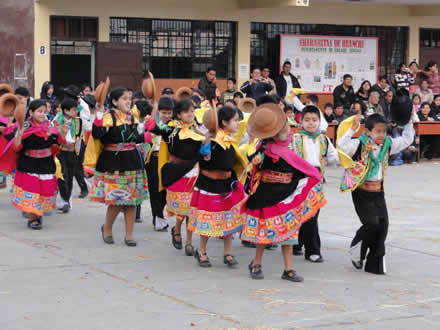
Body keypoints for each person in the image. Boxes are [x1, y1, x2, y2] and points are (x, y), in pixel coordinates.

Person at [241, 100, 325, 282]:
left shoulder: (290, 148)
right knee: (264, 234)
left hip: (287, 193)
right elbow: (253, 161)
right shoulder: (265, 149)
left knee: (289, 232)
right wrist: (253, 143)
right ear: (272, 134)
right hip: (267, 195)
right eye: (281, 130)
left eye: (286, 127)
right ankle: (256, 263)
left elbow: (303, 168)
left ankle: (288, 269)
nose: (287, 131)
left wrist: (311, 178)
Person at [338, 113, 414, 274]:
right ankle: (356, 249)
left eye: (384, 131)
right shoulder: (359, 143)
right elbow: (342, 146)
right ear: (368, 132)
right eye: (378, 131)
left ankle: (374, 265)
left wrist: (408, 123)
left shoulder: (388, 143)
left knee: (383, 226)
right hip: (361, 192)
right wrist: (352, 129)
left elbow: (406, 140)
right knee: (371, 224)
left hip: (378, 191)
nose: (381, 134)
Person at [90, 88, 151, 247]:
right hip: (113, 163)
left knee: (131, 201)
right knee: (116, 200)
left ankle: (129, 235)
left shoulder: (132, 116)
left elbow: (134, 137)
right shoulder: (108, 116)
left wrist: (146, 136)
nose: (128, 101)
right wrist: (98, 113)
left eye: (129, 98)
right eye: (124, 98)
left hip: (132, 161)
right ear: (115, 101)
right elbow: (97, 134)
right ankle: (107, 229)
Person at [188, 106, 247, 268]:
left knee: (229, 220)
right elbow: (203, 159)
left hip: (227, 185)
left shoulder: (230, 140)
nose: (237, 123)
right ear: (224, 122)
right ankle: (201, 251)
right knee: (209, 220)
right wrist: (207, 140)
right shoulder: (212, 141)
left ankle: (227, 253)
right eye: (235, 120)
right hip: (210, 186)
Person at [145, 99, 205, 256]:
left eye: (192, 111)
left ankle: (189, 242)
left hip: (193, 173)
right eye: (187, 112)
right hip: (176, 173)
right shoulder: (170, 128)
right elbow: (152, 127)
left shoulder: (197, 129)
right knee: (182, 208)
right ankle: (177, 230)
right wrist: (153, 110)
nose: (190, 114)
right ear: (179, 114)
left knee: (191, 209)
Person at [0, 99, 69, 229]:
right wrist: (19, 134)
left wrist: (63, 134)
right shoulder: (24, 126)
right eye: (39, 111)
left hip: (46, 164)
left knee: (44, 192)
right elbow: (16, 148)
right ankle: (33, 218)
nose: (43, 114)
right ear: (31, 112)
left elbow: (58, 144)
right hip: (29, 165)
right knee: (33, 191)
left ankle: (37, 214)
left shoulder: (49, 126)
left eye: (44, 111)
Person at [290, 106, 339, 262]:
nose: (311, 123)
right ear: (301, 122)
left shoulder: (323, 139)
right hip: (299, 181)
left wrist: (333, 160)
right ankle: (304, 247)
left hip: (316, 181)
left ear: (319, 122)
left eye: (314, 120)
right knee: (300, 213)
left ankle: (306, 247)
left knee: (312, 215)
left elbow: (333, 157)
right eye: (307, 120)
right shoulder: (295, 138)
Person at [145, 96, 174, 231]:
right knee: (155, 190)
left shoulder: (173, 125)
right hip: (153, 159)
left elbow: (160, 130)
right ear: (158, 112)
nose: (167, 116)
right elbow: (147, 130)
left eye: (169, 113)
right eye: (164, 113)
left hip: (168, 161)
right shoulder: (150, 120)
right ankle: (158, 218)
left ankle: (158, 216)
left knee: (164, 192)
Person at [54, 98, 83, 212]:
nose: (76, 111)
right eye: (74, 109)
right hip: (60, 151)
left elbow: (79, 136)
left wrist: (79, 153)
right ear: (66, 110)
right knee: (62, 175)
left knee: (70, 176)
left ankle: (66, 200)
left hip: (72, 152)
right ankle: (64, 200)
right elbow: (55, 137)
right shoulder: (56, 120)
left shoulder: (78, 121)